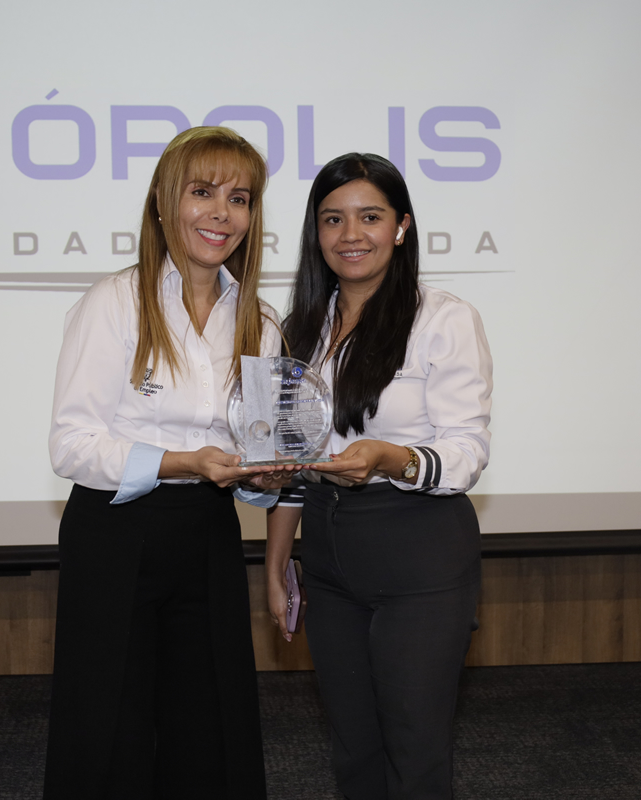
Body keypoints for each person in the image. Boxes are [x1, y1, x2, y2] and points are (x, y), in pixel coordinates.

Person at [45, 126, 288, 800]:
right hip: (115, 534)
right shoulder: (113, 303)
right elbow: (71, 445)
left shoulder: (260, 322)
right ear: (163, 202)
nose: (222, 213)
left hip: (206, 537)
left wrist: (267, 480)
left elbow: (262, 463)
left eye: (239, 199)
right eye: (203, 192)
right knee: (109, 730)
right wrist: (183, 462)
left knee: (207, 726)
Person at [266, 153, 493, 800]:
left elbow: (467, 452)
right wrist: (279, 564)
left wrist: (388, 457)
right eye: (332, 219)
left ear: (402, 227)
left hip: (418, 551)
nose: (350, 234)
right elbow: (291, 461)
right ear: (316, 233)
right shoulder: (300, 329)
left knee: (414, 746)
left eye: (370, 216)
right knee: (353, 747)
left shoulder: (443, 320)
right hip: (330, 557)